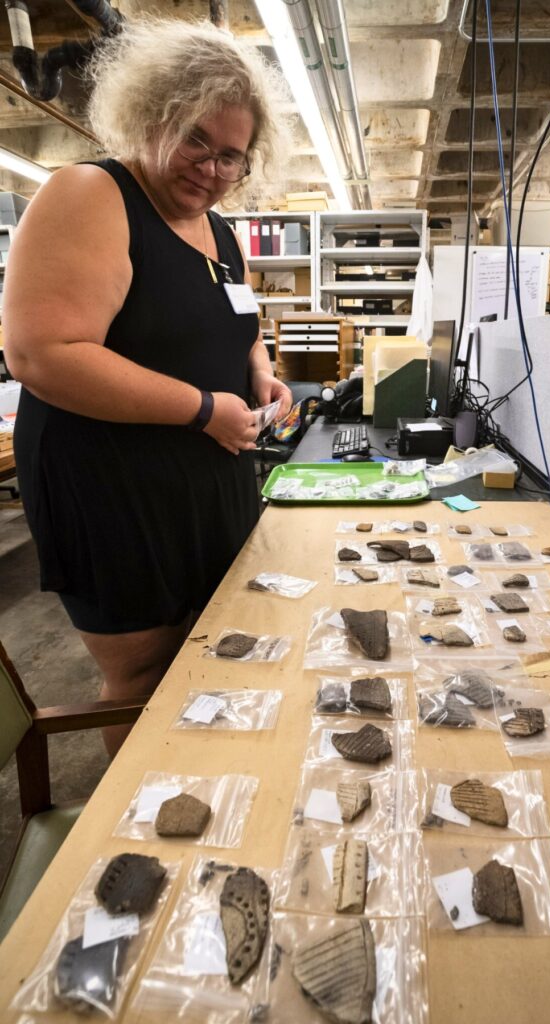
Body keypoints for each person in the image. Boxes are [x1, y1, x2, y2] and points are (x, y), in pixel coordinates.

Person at [3, 20, 292, 756]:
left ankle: (212, 784)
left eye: (232, 155)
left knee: (215, 640)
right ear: (151, 113)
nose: (211, 168)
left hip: (209, 466)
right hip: (112, 482)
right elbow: (42, 353)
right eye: (195, 139)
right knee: (142, 671)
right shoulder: (90, 194)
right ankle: (144, 832)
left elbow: (239, 325)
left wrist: (260, 373)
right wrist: (202, 410)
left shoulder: (219, 232)